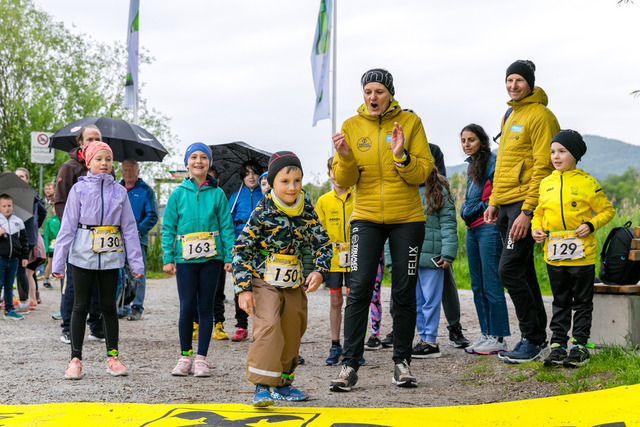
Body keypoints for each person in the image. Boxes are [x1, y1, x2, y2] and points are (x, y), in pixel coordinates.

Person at [329, 68, 433, 391]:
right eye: (368, 91)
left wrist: (401, 156)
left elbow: (422, 173)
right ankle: (349, 365)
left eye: (379, 92)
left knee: (403, 290)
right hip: (366, 216)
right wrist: (345, 157)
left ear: (390, 94)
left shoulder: (411, 122)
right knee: (359, 289)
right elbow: (344, 180)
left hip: (407, 218)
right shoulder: (351, 125)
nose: (373, 97)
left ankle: (402, 363)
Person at [232, 151, 332, 407]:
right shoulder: (262, 211)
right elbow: (241, 249)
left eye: (297, 181)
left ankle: (283, 384)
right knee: (269, 326)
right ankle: (262, 386)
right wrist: (243, 288)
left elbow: (323, 244)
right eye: (285, 181)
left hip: (293, 281)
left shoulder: (306, 209)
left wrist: (319, 271)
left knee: (293, 328)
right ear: (272, 182)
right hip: (263, 280)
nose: (292, 187)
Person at [484, 60, 559, 364]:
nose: (513, 85)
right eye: (509, 80)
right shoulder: (510, 114)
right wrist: (493, 201)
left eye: (519, 80)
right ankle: (536, 338)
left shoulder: (540, 115)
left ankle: (532, 338)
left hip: (524, 205)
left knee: (509, 270)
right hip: (506, 205)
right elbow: (502, 163)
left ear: (530, 83)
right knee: (523, 270)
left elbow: (543, 165)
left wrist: (527, 211)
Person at [52, 141, 144, 379]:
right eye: (99, 159)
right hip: (82, 257)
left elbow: (129, 229)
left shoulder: (119, 192)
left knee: (109, 307)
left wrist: (136, 263)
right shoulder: (78, 190)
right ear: (88, 162)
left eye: (108, 159)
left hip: (111, 259)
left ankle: (113, 358)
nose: (104, 163)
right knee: (80, 306)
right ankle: (75, 359)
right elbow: (67, 227)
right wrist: (58, 262)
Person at [532, 130, 615, 368]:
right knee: (560, 301)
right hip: (554, 255)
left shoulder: (588, 183)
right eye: (552, 152)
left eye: (562, 151)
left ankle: (579, 347)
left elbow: (607, 211)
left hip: (582, 256)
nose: (556, 156)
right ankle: (558, 346)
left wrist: (591, 225)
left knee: (581, 302)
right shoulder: (545, 183)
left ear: (575, 155)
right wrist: (536, 229)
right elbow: (539, 214)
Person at [162, 143, 234, 378]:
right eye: (193, 157)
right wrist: (168, 257)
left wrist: (229, 255)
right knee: (186, 307)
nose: (198, 161)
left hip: (212, 260)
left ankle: (201, 358)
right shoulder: (177, 194)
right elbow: (168, 227)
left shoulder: (218, 194)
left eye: (203, 157)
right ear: (187, 163)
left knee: (206, 308)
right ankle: (185, 356)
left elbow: (226, 226)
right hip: (185, 260)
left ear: (209, 163)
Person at [459, 124, 511, 355]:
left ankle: (498, 337)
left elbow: (496, 195)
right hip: (472, 230)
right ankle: (486, 333)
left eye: (471, 139)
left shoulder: (492, 162)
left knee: (491, 284)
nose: (466, 144)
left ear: (482, 140)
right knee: (477, 285)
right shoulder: (472, 165)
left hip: (488, 227)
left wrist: (475, 209)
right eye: (463, 140)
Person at [54, 124, 106, 344]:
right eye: (89, 139)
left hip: (101, 238)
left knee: (98, 284)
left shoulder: (106, 167)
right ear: (80, 142)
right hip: (77, 237)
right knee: (74, 284)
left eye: (98, 138)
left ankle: (96, 326)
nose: (93, 142)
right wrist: (72, 231)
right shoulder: (69, 168)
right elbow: (60, 203)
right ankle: (68, 327)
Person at [411, 167, 458, 358]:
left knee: (430, 299)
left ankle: (430, 340)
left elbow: (448, 223)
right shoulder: (405, 189)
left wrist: (448, 253)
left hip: (433, 256)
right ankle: (423, 339)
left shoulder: (439, 190)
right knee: (416, 300)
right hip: (410, 255)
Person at [315, 156, 354, 365]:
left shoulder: (358, 197)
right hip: (333, 259)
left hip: (355, 257)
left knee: (354, 301)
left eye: (341, 170)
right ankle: (335, 344)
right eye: (333, 171)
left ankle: (353, 346)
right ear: (329, 174)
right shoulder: (323, 201)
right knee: (336, 301)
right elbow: (317, 233)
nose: (337, 175)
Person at [227, 160, 264, 342]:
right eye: (247, 173)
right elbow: (228, 224)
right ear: (242, 176)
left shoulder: (265, 195)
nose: (251, 177)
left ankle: (261, 325)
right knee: (240, 285)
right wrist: (230, 251)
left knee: (261, 287)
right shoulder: (235, 197)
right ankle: (241, 326)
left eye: (255, 173)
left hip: (261, 248)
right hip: (240, 247)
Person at [119, 158, 158, 321]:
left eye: (131, 169)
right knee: (120, 272)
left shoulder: (146, 191)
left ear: (138, 171)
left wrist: (138, 230)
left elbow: (152, 215)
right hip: (117, 239)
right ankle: (122, 305)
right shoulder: (116, 188)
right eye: (125, 169)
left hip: (137, 238)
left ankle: (137, 307)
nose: (128, 173)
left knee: (137, 272)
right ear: (122, 171)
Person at [14, 168, 46, 310]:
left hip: (26, 237)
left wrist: (34, 226)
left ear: (27, 179)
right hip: (23, 236)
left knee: (24, 271)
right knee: (27, 271)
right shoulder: (18, 195)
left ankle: (26, 301)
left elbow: (42, 212)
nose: (19, 178)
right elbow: (42, 212)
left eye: (22, 176)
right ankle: (30, 299)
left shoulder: (28, 195)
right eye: (17, 176)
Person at [0, 193, 29, 320]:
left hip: (14, 259)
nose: (7, 208)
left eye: (9, 205)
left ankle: (9, 309)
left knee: (9, 285)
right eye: (4, 206)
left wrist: (25, 257)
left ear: (13, 206)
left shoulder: (18, 221)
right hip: (1, 258)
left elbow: (24, 241)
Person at [41, 182, 55, 289]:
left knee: (51, 258)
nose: (48, 190)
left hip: (53, 234)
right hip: (41, 231)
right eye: (46, 189)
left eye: (50, 188)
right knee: (42, 254)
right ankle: (41, 272)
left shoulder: (56, 203)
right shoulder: (41, 202)